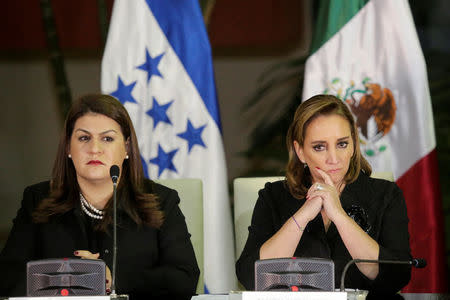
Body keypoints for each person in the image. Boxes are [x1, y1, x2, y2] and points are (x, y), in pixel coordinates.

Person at [0, 94, 199, 300]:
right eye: (84, 138)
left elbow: (184, 279)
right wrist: (70, 279)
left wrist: (112, 280)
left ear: (127, 148)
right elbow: (7, 278)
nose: (95, 149)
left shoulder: (161, 200)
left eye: (107, 138)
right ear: (68, 147)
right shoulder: (37, 200)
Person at [236, 94, 411, 295]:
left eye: (342, 144)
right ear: (300, 151)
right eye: (319, 147)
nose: (333, 158)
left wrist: (339, 216)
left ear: (354, 145)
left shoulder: (386, 195)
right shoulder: (273, 197)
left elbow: (397, 276)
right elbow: (250, 277)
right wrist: (303, 216)